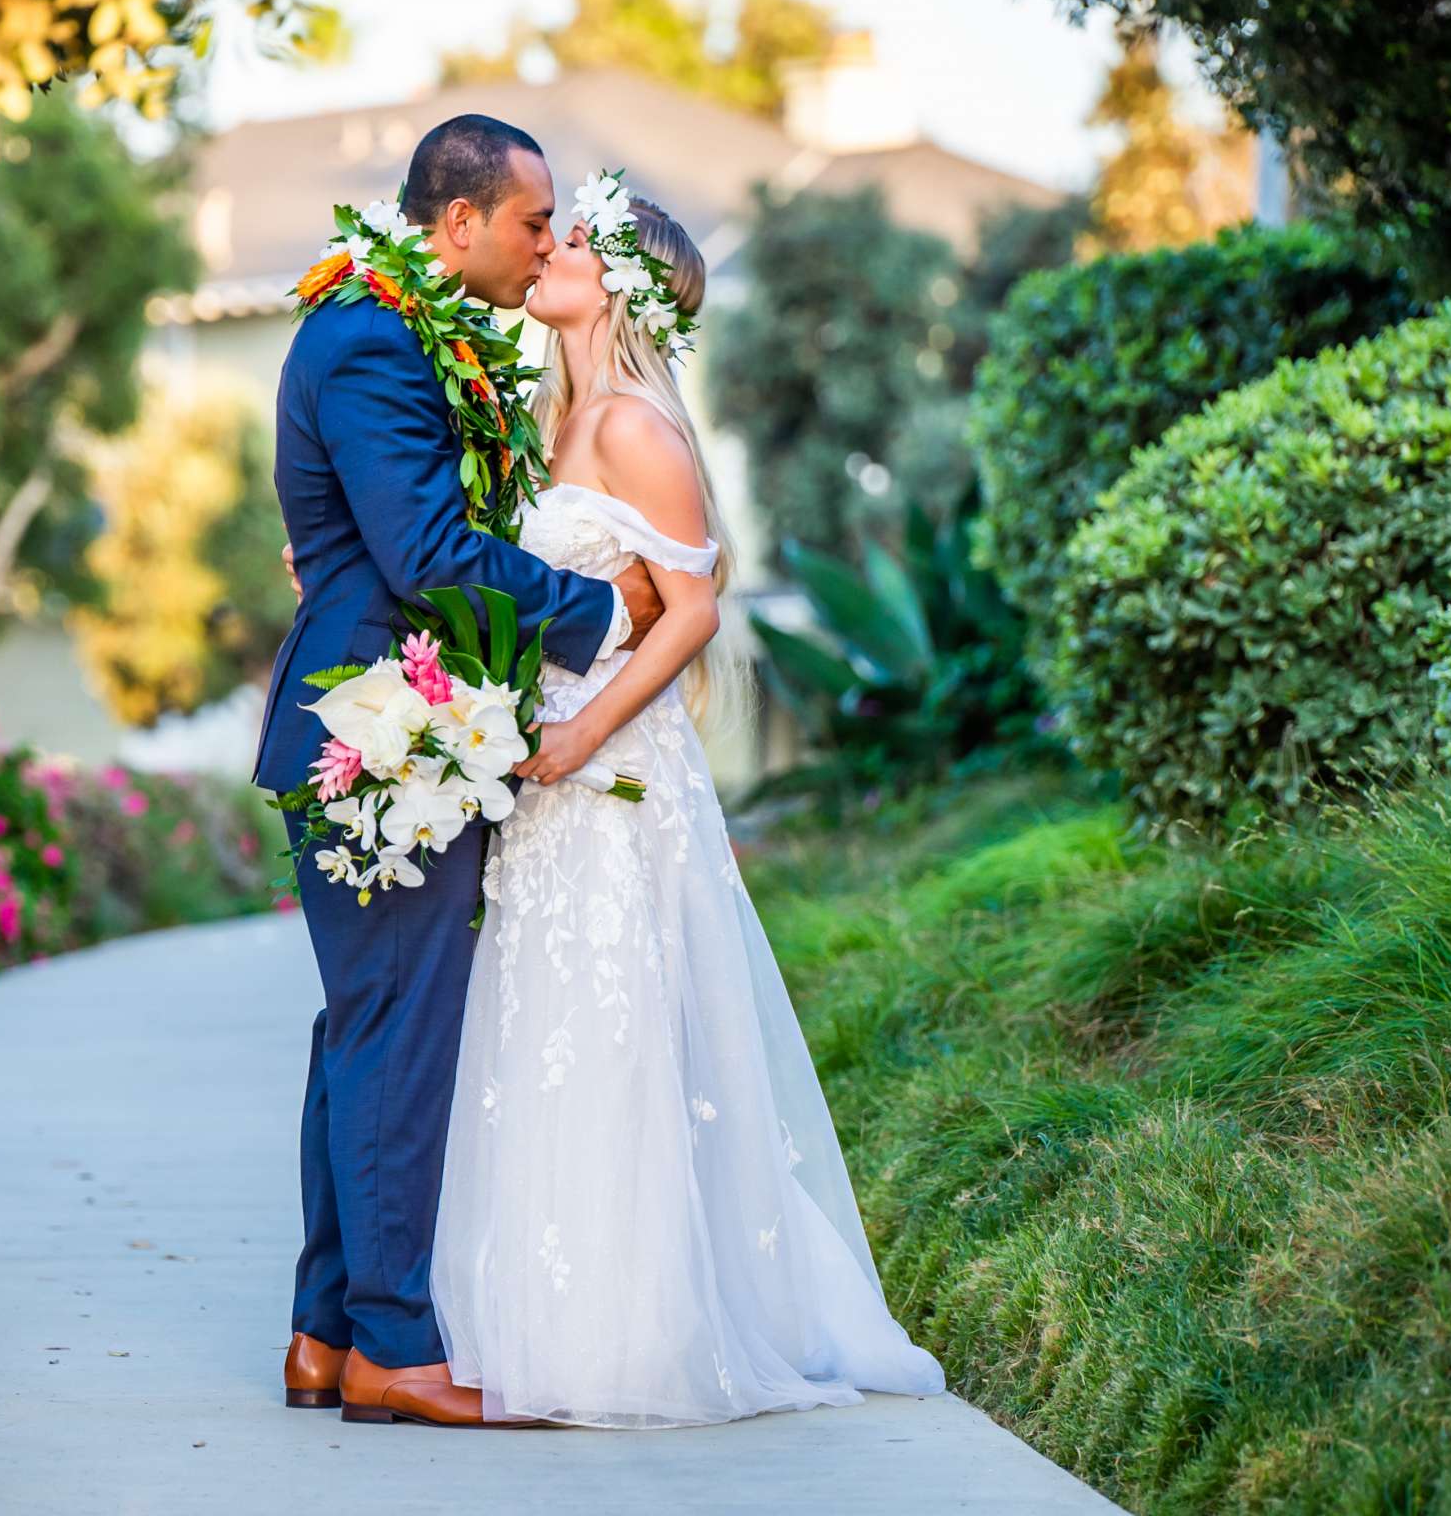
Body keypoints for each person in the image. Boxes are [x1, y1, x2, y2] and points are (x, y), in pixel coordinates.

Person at [425, 180, 946, 1427]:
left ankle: (628, 1335)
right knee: (538, 1031)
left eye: (574, 238)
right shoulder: (557, 419)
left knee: (611, 1033)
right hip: (548, 776)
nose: (546, 247)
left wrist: (582, 731)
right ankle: (534, 1317)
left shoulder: (635, 429)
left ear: (625, 286)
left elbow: (698, 610)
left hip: (613, 774)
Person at [250, 115, 665, 1429]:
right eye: (535, 221)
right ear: (457, 226)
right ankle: (392, 1347)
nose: (552, 243)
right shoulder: (373, 338)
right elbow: (430, 548)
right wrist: (602, 613)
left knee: (361, 1027)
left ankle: (325, 1335)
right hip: (384, 724)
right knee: (396, 1031)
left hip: (387, 707)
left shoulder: (397, 326)